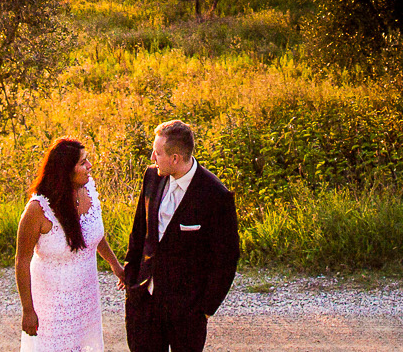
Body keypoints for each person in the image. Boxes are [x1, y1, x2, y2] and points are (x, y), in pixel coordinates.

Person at [118, 120, 239, 352]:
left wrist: (205, 308)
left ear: (175, 158)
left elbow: (226, 257)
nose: (153, 158)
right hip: (144, 302)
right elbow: (139, 231)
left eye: (158, 153)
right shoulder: (152, 176)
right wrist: (132, 279)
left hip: (187, 312)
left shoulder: (215, 195)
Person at [18, 136, 126, 352]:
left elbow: (93, 235)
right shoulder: (37, 210)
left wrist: (116, 266)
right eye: (83, 162)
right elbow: (22, 261)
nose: (90, 166)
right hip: (52, 306)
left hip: (86, 298)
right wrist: (28, 310)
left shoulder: (89, 191)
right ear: (66, 170)